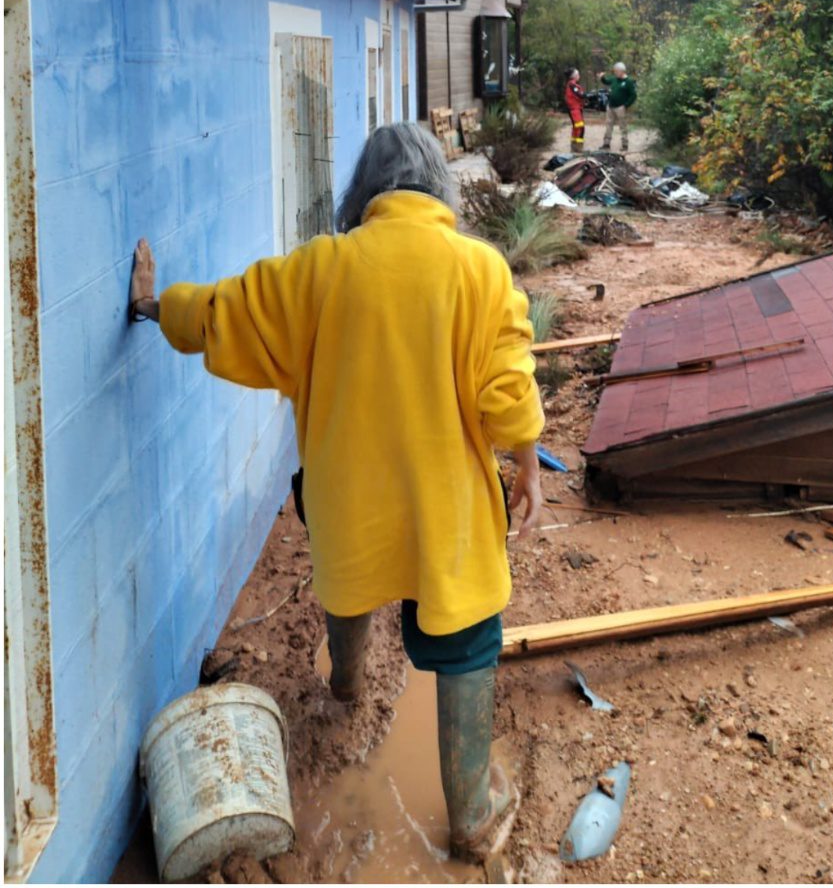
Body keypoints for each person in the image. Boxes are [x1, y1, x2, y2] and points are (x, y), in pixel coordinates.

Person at [128, 122, 543, 862]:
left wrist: (155, 305)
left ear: (366, 193)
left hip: (348, 503)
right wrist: (527, 468)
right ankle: (472, 818)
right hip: (444, 514)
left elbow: (225, 311)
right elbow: (508, 399)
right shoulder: (481, 272)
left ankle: (346, 685)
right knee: (468, 637)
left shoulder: (319, 269)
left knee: (347, 580)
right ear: (439, 187)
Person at [601, 61, 637, 152]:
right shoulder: (614, 79)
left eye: (616, 71)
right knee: (608, 124)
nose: (615, 73)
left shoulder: (628, 82)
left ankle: (625, 145)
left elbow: (633, 95)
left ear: (621, 71)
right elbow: (606, 81)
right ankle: (606, 143)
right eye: (614, 71)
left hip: (620, 107)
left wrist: (625, 105)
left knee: (623, 126)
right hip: (611, 106)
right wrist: (602, 77)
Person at [563, 66, 586, 153]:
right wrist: (586, 95)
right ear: (573, 75)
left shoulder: (572, 84)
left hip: (576, 109)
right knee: (580, 128)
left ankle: (574, 147)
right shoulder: (572, 85)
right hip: (574, 109)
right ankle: (578, 148)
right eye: (578, 74)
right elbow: (579, 95)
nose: (579, 75)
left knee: (576, 128)